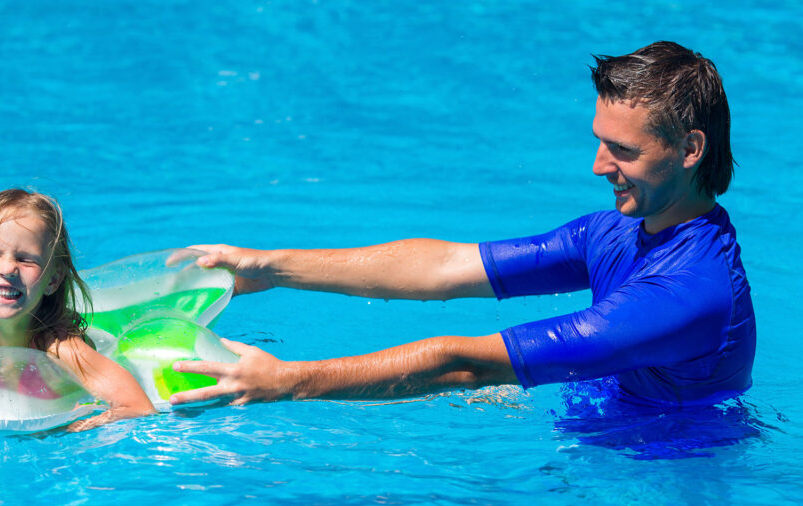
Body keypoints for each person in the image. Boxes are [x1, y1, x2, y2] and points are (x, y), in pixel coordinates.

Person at [169, 41, 756, 410]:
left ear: (689, 148)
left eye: (621, 151)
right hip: (607, 411)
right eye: (600, 143)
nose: (599, 166)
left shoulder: (686, 292)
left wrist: (288, 380)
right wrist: (268, 268)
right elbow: (446, 266)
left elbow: (465, 362)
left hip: (671, 479)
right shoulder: (615, 232)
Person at [0, 189, 156, 431]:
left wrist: (75, 428)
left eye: (25, 259)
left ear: (53, 280)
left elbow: (137, 406)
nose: (8, 269)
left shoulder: (61, 349)